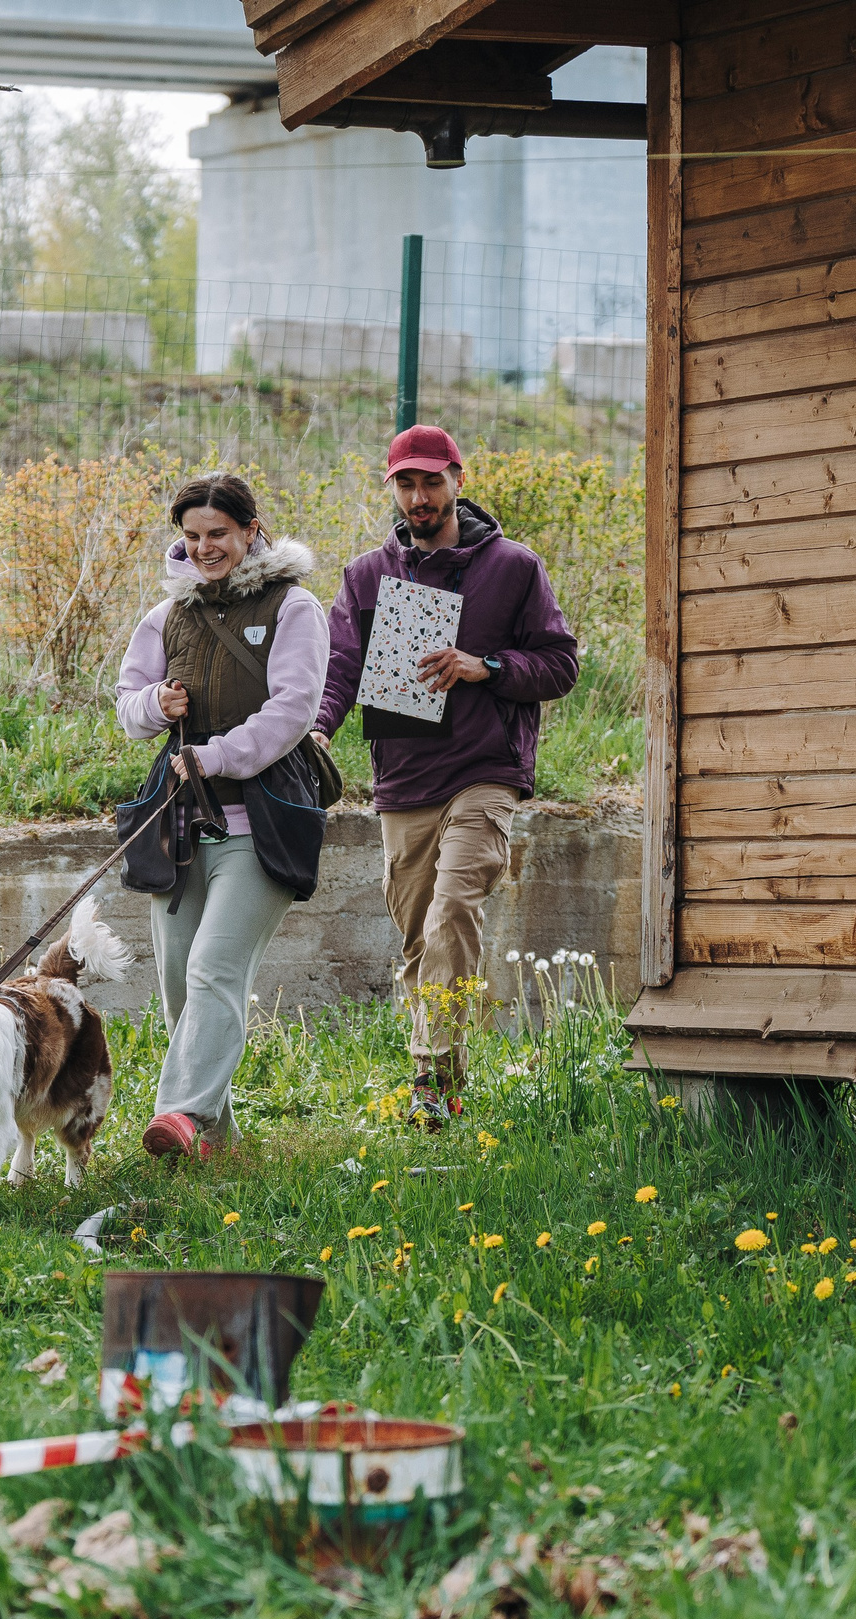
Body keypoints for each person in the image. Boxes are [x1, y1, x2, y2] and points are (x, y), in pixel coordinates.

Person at [313, 424, 579, 1128]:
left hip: (485, 770)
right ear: (392, 488)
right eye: (406, 482)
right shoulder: (368, 575)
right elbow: (340, 667)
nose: (420, 494)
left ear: (459, 479)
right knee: (419, 941)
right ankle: (443, 1072)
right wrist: (316, 730)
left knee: (454, 912)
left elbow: (561, 664)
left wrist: (484, 666)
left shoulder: (514, 567)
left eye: (433, 480)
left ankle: (430, 1080)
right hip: (403, 775)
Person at [115, 472, 330, 1162]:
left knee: (213, 969)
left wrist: (216, 756)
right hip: (180, 822)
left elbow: (294, 710)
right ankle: (219, 1143)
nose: (206, 548)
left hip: (262, 821)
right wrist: (158, 707)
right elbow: (127, 707)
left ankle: (177, 1115)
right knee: (181, 990)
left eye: (219, 535)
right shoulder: (164, 616)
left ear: (249, 530)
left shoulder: (295, 607)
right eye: (193, 536)